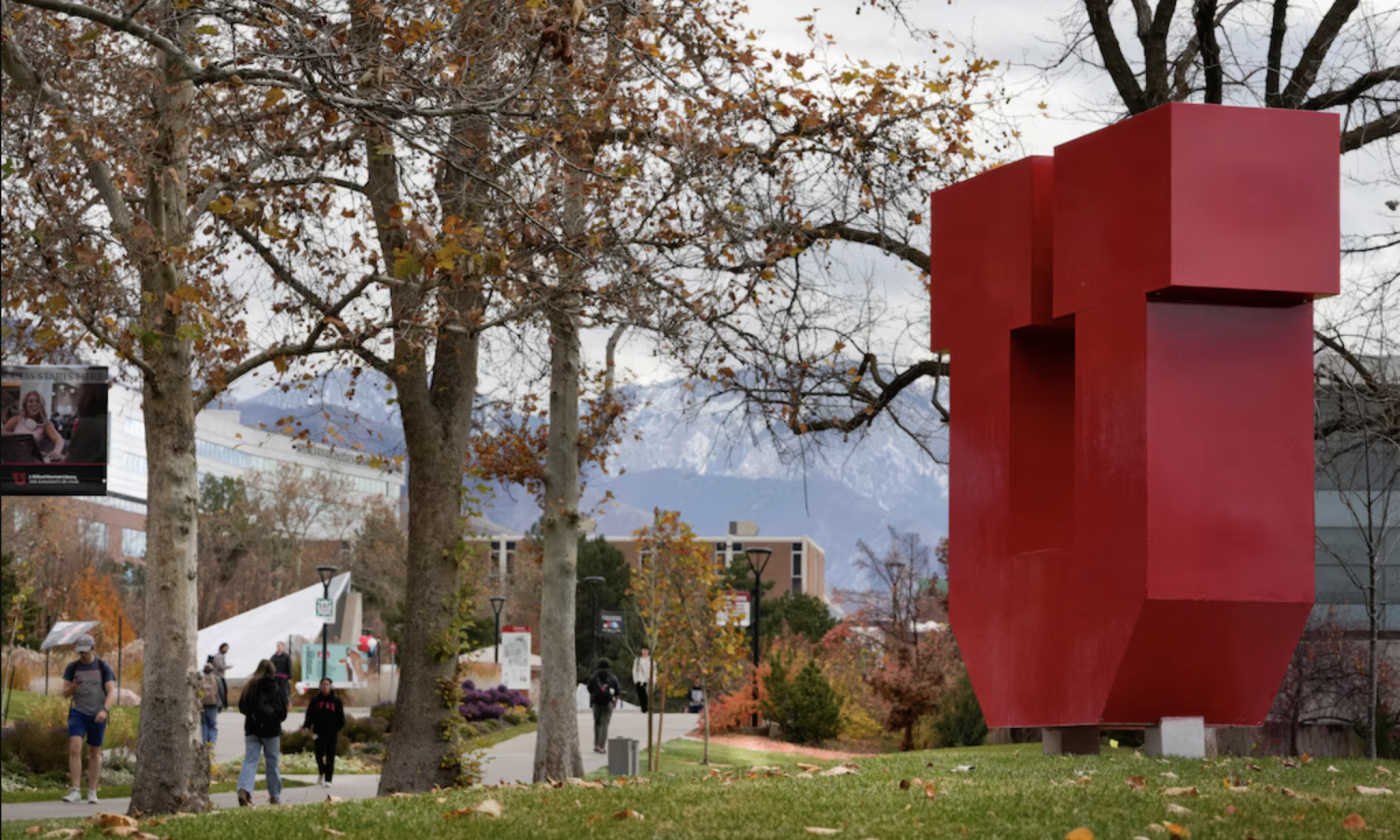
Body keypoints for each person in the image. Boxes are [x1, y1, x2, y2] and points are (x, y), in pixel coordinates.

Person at [60, 634, 116, 804]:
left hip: (97, 715)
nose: (82, 655)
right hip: (78, 713)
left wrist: (104, 711)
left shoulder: (102, 667)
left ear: (92, 649)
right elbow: (64, 694)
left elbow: (112, 692)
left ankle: (92, 791)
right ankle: (75, 790)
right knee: (75, 748)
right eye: (80, 652)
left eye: (85, 651)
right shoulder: (72, 667)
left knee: (94, 752)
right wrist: (72, 687)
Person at [237, 658, 288, 807]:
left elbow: (242, 707)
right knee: (272, 763)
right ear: (272, 671)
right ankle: (275, 796)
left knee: (250, 761)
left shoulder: (250, 686)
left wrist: (254, 715)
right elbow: (282, 713)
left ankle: (244, 790)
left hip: (252, 729)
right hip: (271, 731)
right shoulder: (276, 687)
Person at [301, 677, 346, 789]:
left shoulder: (336, 700)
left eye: (327, 685)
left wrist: (337, 729)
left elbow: (341, 718)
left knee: (330, 756)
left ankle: (328, 779)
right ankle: (322, 771)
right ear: (320, 687)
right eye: (323, 685)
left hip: (331, 732)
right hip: (318, 732)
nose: (325, 687)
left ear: (330, 687)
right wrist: (306, 726)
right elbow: (309, 715)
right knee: (319, 755)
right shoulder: (315, 700)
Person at [2, 390, 66, 463]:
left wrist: (56, 451)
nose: (34, 404)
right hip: (13, 461)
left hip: (31, 462)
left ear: (41, 405)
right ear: (25, 404)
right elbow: (3, 437)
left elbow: (59, 439)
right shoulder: (16, 420)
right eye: (30, 401)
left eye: (37, 401)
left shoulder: (45, 424)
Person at [586, 658, 620, 754]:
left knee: (597, 723)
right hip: (608, 703)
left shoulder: (594, 677)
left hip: (596, 703)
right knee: (604, 724)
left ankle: (596, 744)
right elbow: (617, 692)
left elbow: (589, 689)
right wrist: (614, 703)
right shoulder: (613, 678)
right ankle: (601, 746)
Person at [199, 663, 220, 747]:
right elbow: (220, 692)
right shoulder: (216, 679)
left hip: (202, 705)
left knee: (204, 724)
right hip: (213, 705)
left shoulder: (200, 679)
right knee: (212, 724)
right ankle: (211, 742)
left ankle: (205, 743)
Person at [631, 647, 653, 714]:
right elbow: (634, 670)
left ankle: (646, 708)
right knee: (641, 694)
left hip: (648, 679)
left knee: (647, 694)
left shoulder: (651, 660)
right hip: (640, 679)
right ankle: (644, 708)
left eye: (646, 650)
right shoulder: (637, 660)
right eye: (643, 650)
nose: (645, 652)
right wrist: (636, 679)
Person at [270, 641, 292, 706]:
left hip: (284, 678)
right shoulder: (273, 657)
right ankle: (276, 705)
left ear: (283, 647)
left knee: (284, 692)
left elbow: (289, 667)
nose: (279, 647)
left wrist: (290, 677)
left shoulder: (286, 656)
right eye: (278, 646)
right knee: (275, 691)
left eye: (280, 646)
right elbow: (270, 667)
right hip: (275, 677)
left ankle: (285, 705)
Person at [211, 643, 230, 710]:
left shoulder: (219, 655)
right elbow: (219, 666)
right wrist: (228, 666)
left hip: (218, 676)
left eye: (227, 648)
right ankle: (223, 706)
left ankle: (221, 706)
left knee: (220, 691)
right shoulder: (219, 656)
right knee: (223, 691)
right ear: (222, 648)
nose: (227, 650)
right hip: (218, 677)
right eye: (225, 648)